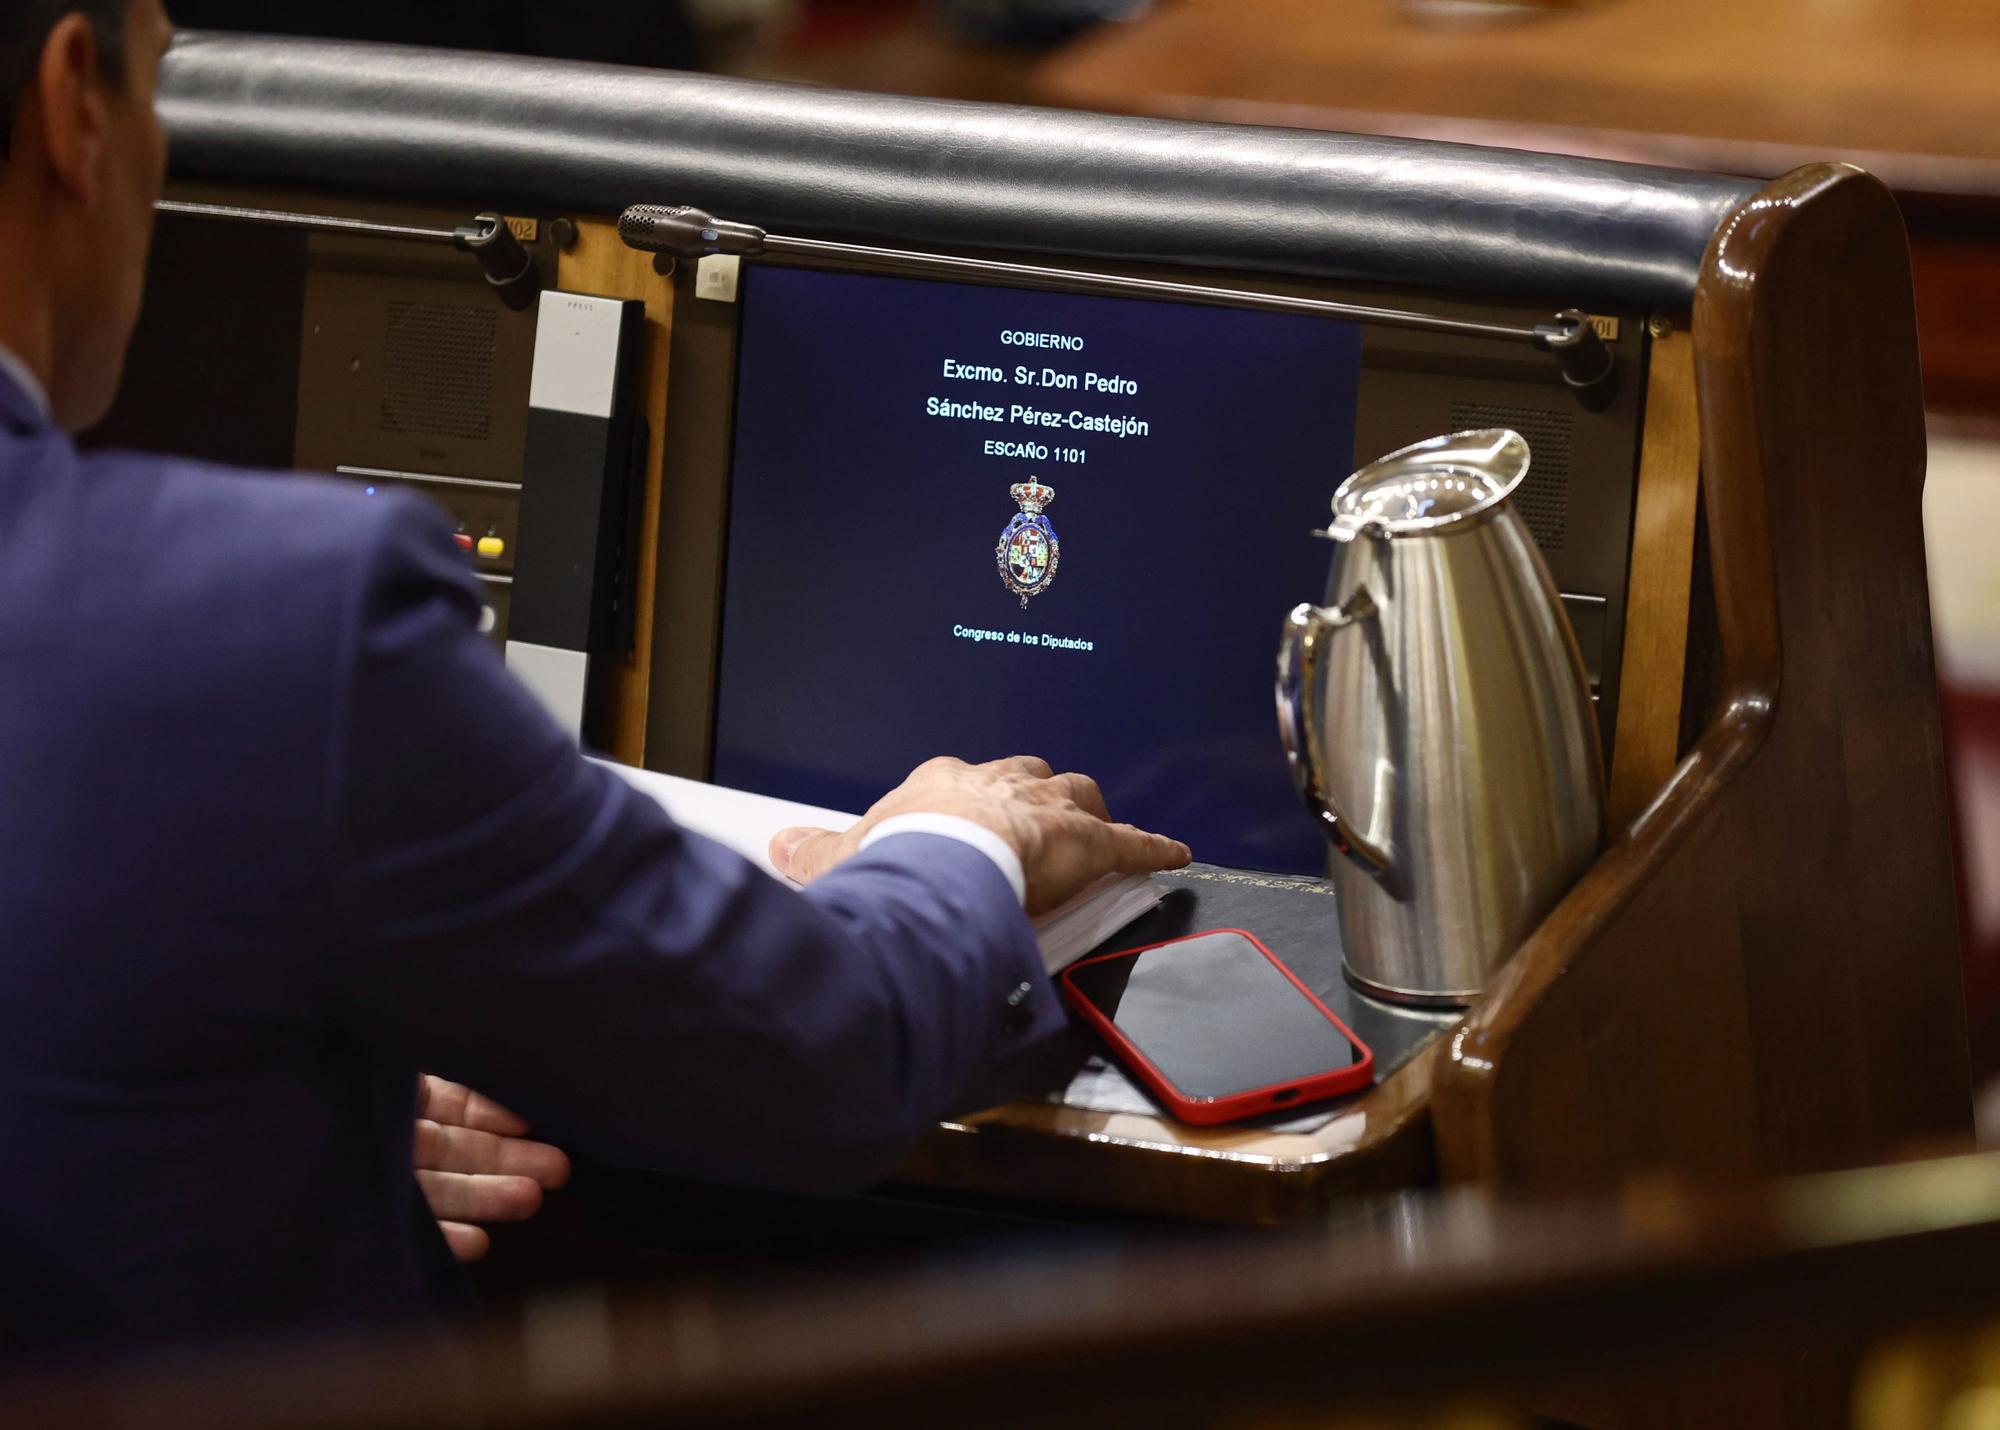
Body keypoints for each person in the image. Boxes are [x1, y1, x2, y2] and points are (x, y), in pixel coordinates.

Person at [0, 0, 1191, 1359]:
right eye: (157, 85)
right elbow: (821, 1052)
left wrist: (269, 1102)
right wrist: (961, 838)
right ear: (72, 111)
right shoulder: (288, 624)